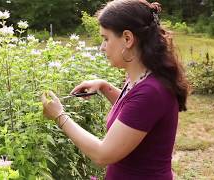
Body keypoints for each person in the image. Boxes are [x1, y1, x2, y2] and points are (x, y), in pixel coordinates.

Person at [41, 0, 189, 179]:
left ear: (127, 39)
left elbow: (102, 154)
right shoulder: (143, 79)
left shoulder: (151, 92)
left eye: (106, 38)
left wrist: (59, 116)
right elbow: (136, 114)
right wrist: (105, 87)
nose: (102, 47)